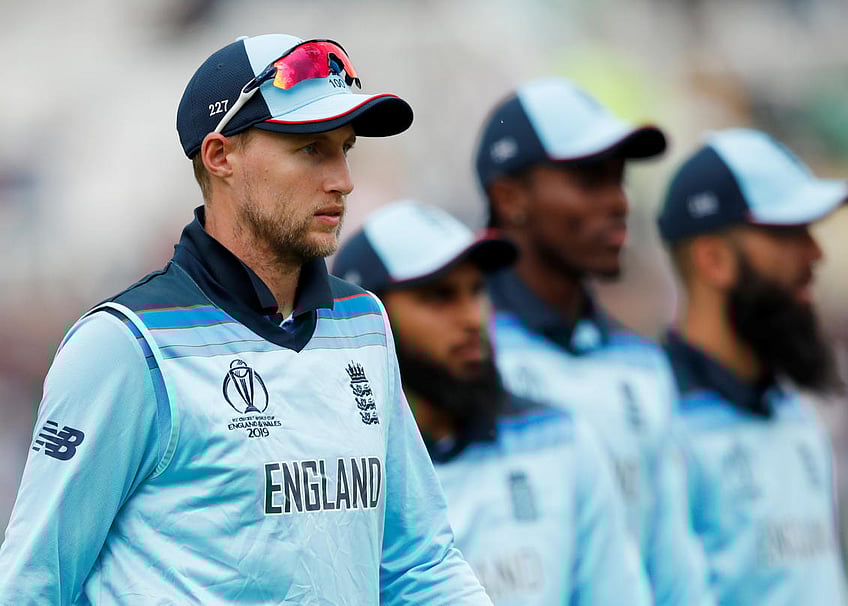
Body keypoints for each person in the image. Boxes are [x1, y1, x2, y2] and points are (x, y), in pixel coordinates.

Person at [0, 34, 491, 604]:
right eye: (311, 149)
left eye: (345, 148)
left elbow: (420, 562)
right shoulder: (125, 344)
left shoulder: (363, 322)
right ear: (220, 157)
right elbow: (33, 583)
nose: (343, 179)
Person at [332, 199, 652, 606]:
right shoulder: (344, 473)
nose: (472, 318)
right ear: (369, 320)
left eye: (478, 290)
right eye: (440, 297)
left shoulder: (562, 440)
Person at [474, 77, 713, 605]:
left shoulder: (641, 363)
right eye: (589, 180)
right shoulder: (462, 359)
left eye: (619, 179)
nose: (619, 202)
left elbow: (673, 567)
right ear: (510, 198)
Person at [656, 127, 848, 605]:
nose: (816, 253)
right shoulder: (658, 424)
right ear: (713, 260)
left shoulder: (796, 412)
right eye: (788, 232)